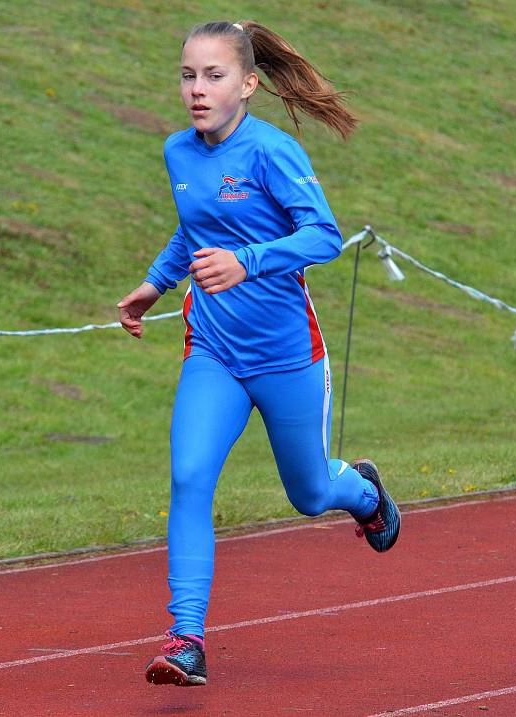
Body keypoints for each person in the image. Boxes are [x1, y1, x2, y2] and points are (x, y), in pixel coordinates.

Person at [116, 20, 400, 687]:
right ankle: (186, 638)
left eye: (213, 76)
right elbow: (194, 232)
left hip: (286, 356)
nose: (196, 89)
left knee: (308, 493)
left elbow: (323, 236)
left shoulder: (272, 151)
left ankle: (362, 491)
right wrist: (155, 285)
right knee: (188, 478)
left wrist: (247, 262)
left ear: (247, 84)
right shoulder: (177, 154)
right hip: (213, 351)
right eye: (187, 75)